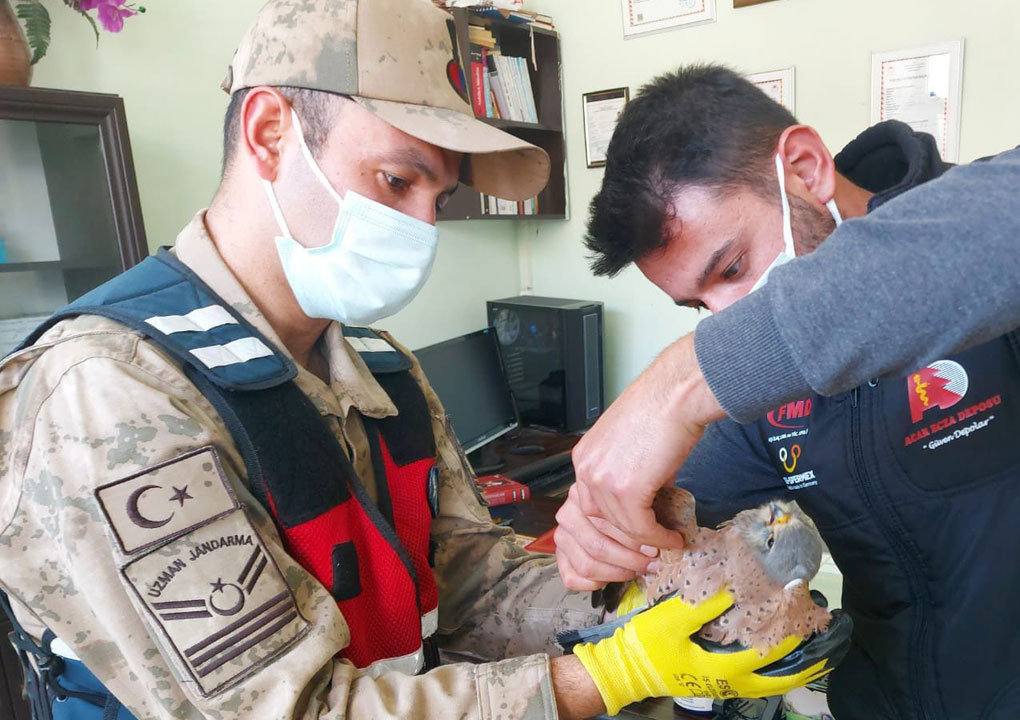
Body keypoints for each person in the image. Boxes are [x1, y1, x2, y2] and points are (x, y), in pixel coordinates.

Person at [0, 11, 843, 720]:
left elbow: (469, 579)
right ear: (268, 134)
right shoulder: (113, 393)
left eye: (437, 197)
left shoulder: (378, 366)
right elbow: (284, 708)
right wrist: (609, 676)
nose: (422, 227)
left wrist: (640, 597)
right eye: (396, 179)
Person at [555, 64, 1020, 719]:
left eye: (733, 266)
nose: (725, 320)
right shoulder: (765, 391)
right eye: (695, 307)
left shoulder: (1010, 252)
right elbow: (671, 510)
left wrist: (682, 377)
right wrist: (604, 531)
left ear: (803, 168)